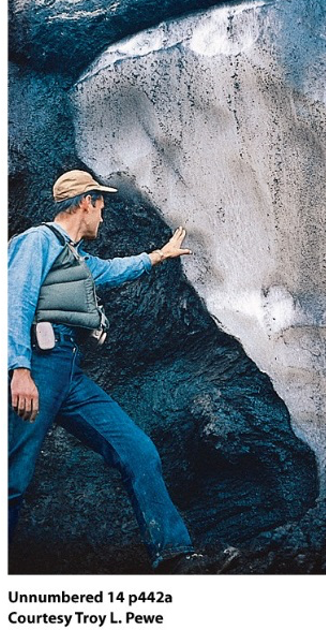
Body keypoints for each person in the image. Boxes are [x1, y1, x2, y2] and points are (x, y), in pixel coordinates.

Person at [8, 169, 231, 574]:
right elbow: (14, 302)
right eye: (101, 207)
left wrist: (157, 256)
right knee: (11, 475)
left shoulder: (73, 255)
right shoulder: (36, 242)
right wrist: (18, 369)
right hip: (38, 365)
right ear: (84, 202)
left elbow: (110, 271)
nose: (103, 217)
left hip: (69, 372)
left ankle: (174, 554)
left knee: (136, 449)